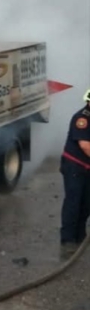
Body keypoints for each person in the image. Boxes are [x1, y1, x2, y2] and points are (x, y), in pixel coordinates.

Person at [59, 88, 90, 260]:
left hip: (87, 168)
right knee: (73, 202)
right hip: (75, 167)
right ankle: (68, 240)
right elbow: (86, 146)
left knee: (86, 203)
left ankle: (80, 236)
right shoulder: (82, 119)